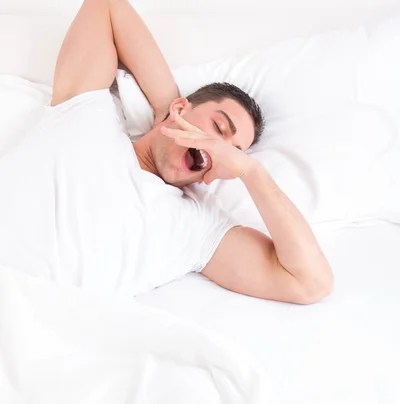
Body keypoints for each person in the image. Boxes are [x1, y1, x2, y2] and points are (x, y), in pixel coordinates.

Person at [0, 0, 333, 303]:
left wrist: (251, 172)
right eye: (218, 129)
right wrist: (166, 108)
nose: (219, 149)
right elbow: (106, 7)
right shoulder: (85, 114)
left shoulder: (196, 225)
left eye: (233, 153)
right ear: (181, 107)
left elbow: (310, 283)